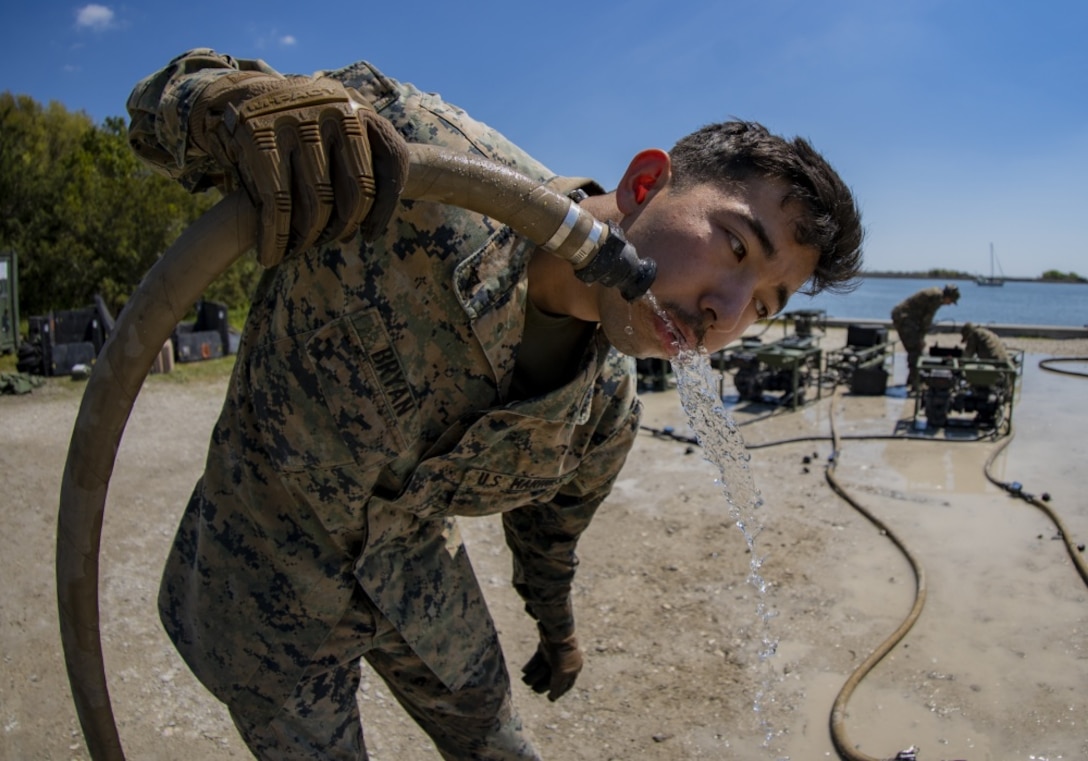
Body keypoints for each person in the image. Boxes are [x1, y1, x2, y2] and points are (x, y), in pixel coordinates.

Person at [126, 48, 864, 760]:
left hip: (412, 572)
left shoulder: (603, 412)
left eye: (763, 305)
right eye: (735, 247)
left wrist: (558, 629)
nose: (724, 312)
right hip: (260, 570)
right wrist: (235, 107)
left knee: (504, 745)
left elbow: (550, 534)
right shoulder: (423, 163)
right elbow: (165, 98)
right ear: (645, 185)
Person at [890, 283, 960, 389]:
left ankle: (912, 379)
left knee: (914, 349)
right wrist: (921, 338)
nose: (949, 304)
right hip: (905, 319)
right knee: (915, 349)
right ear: (948, 296)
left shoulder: (936, 293)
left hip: (905, 318)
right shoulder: (937, 297)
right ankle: (915, 382)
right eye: (951, 301)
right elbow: (927, 319)